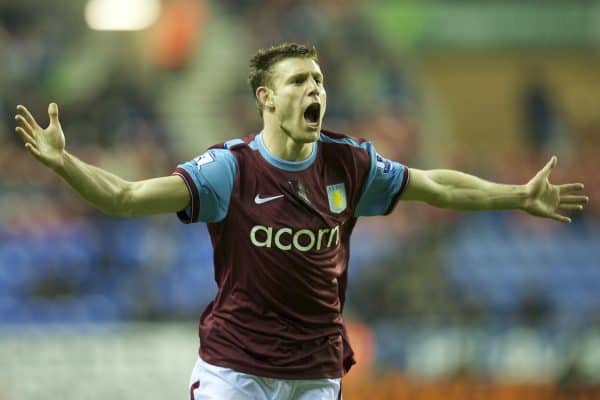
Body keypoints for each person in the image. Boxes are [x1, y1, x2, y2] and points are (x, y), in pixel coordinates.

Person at [14, 43, 588, 400]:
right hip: (235, 373)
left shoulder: (349, 163)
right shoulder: (228, 172)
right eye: (298, 81)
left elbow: (436, 185)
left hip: (315, 375)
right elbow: (126, 198)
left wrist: (516, 195)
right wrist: (64, 163)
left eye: (319, 80)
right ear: (266, 97)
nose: (314, 88)